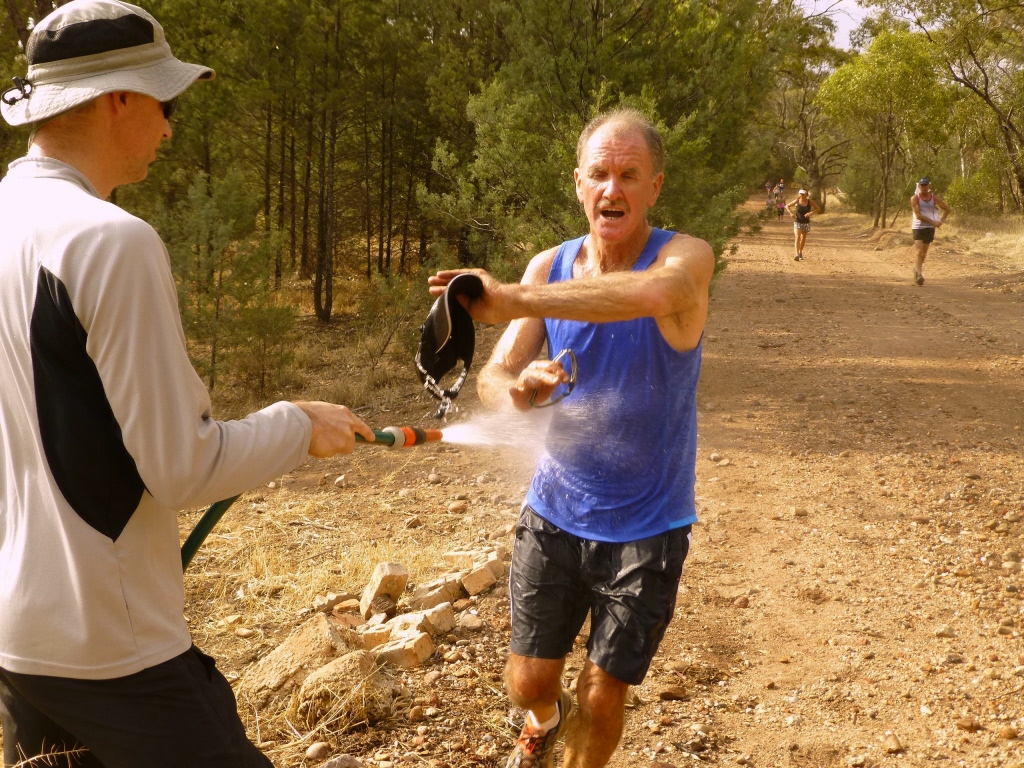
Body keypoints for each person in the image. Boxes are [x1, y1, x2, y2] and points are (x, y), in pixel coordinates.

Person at [0, 2, 374, 766]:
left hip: (18, 639)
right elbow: (183, 466)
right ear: (118, 100)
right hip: (112, 647)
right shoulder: (110, 240)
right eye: (164, 104)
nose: (171, 129)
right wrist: (299, 423)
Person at [428, 108, 713, 768]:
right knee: (528, 681)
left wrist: (519, 302)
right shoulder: (547, 266)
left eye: (629, 175)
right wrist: (519, 388)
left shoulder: (684, 258)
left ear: (655, 187)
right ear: (578, 183)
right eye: (600, 175)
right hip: (554, 512)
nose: (612, 190)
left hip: (648, 526)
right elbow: (493, 380)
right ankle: (543, 721)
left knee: (604, 691)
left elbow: (651, 294)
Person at [909, 177, 950, 285]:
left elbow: (947, 209)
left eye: (925, 185)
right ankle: (919, 274)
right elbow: (918, 215)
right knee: (918, 250)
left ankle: (916, 269)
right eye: (922, 185)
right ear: (919, 187)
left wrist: (941, 221)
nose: (924, 187)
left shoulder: (934, 198)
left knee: (924, 253)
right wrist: (934, 222)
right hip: (918, 226)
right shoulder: (914, 198)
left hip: (929, 228)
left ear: (929, 186)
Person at [786, 188, 822, 261]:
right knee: (797, 237)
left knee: (803, 238)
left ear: (806, 194)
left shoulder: (810, 202)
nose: (801, 195)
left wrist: (811, 213)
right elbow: (787, 206)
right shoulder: (797, 200)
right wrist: (791, 213)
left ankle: (800, 252)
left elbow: (818, 208)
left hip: (806, 222)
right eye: (800, 194)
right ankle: (796, 254)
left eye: (803, 194)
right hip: (797, 221)